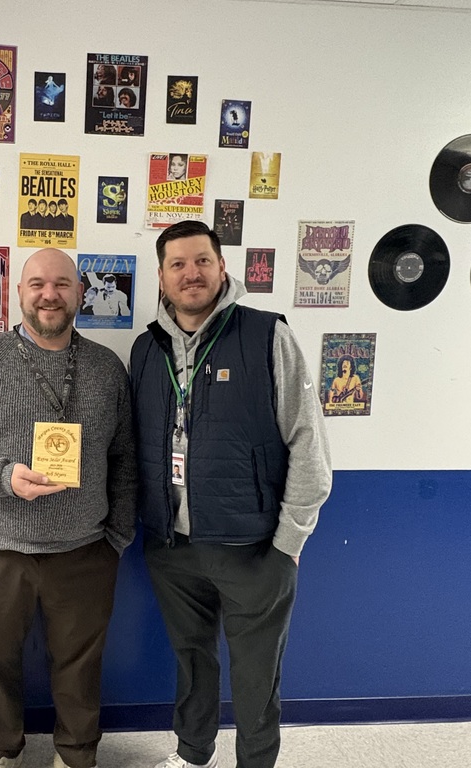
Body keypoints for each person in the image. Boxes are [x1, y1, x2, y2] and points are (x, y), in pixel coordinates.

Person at [0, 248, 137, 768]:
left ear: (80, 293)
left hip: (86, 547)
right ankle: (2, 752)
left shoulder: (108, 368)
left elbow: (125, 455)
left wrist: (119, 535)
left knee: (80, 664)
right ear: (17, 293)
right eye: (37, 284)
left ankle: (77, 754)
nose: (49, 294)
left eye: (62, 284)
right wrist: (0, 476)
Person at [129, 220, 332, 768]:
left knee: (255, 675)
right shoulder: (145, 350)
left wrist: (289, 541)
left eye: (201, 261)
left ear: (222, 267)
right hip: (173, 547)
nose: (190, 273)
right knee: (191, 661)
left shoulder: (267, 334)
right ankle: (193, 754)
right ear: (163, 277)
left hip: (254, 547)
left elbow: (308, 439)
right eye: (178, 264)